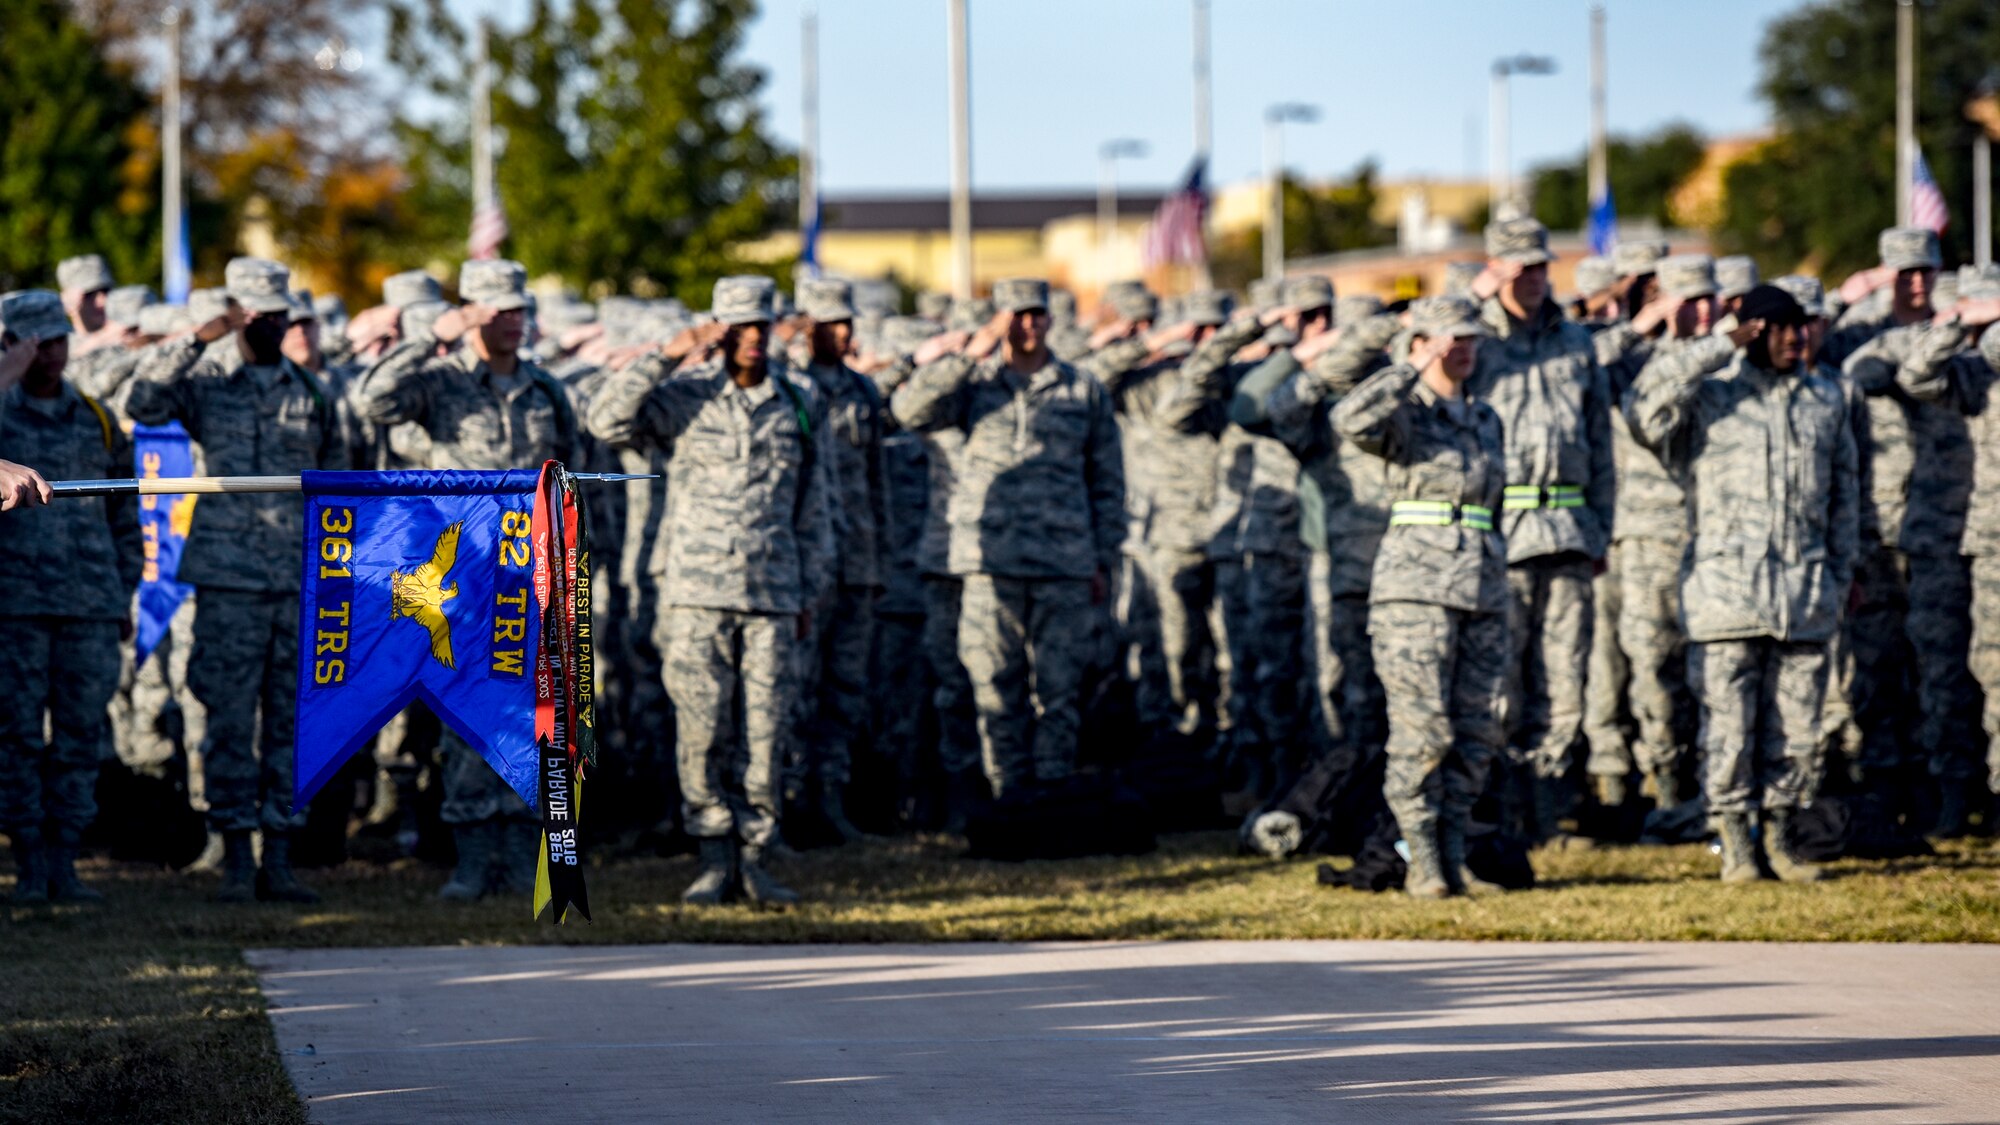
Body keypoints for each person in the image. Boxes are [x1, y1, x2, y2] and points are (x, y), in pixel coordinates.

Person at [587, 276, 834, 906]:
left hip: (774, 592)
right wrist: (672, 351)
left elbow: (814, 505)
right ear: (719, 330)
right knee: (700, 729)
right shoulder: (685, 397)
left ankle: (756, 857)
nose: (752, 338)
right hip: (695, 591)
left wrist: (810, 590)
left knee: (768, 730)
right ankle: (713, 853)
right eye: (738, 326)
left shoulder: (800, 400)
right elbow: (606, 416)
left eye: (761, 325)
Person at [125, 257, 350, 904]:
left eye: (279, 314)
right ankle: (232, 852)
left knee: (288, 721)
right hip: (227, 580)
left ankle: (279, 854)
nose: (271, 325)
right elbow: (143, 401)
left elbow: (335, 482)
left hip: (296, 580)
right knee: (227, 718)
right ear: (235, 315)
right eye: (256, 315)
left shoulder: (310, 392)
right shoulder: (209, 382)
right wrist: (199, 339)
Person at [356, 258, 581, 899]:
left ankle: (521, 849)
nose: (512, 320)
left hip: (534, 577)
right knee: (467, 714)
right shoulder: (440, 382)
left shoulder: (545, 390)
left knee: (534, 714)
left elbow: (573, 478)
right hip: (465, 575)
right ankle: (473, 856)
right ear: (472, 312)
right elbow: (374, 401)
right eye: (497, 309)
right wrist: (433, 336)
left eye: (518, 309)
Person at [1628, 285, 1860, 883]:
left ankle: (1782, 840)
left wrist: (1838, 575)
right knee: (1728, 730)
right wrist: (1717, 344)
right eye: (1781, 329)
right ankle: (1735, 845)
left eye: (1802, 327)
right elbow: (1643, 408)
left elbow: (1844, 501)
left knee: (1797, 730)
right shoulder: (1711, 397)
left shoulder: (1825, 399)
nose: (1796, 339)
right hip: (1726, 594)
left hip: (1803, 593)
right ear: (1754, 332)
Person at [892, 278, 1125, 799]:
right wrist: (969, 353)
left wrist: (1103, 560)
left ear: (1049, 319)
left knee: (1059, 689)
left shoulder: (1080, 387)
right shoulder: (973, 386)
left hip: (1063, 561)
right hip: (988, 561)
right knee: (995, 685)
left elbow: (1107, 480)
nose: (1027, 325)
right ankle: (1007, 794)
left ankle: (1052, 792)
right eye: (1015, 315)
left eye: (1036, 314)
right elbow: (910, 411)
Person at [1331, 296, 1508, 898]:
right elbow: (1350, 419)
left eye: (1470, 339)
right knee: (1423, 731)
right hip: (1415, 593)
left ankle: (1455, 854)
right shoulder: (1404, 413)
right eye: (1450, 338)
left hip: (1482, 590)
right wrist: (1411, 363)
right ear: (1424, 344)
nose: (1463, 349)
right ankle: (1423, 860)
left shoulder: (1486, 418)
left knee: (1477, 731)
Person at [1468, 217, 1617, 838]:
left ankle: (1548, 810)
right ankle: (1502, 814)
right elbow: (1412, 362)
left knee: (1564, 679)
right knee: (1501, 681)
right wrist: (1470, 301)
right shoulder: (1473, 339)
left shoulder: (1576, 341)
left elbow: (1600, 440)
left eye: (1539, 265)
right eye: (1519, 266)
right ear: (1496, 268)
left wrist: (1603, 528)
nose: (1532, 277)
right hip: (1503, 530)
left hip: (1568, 528)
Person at [0, 290, 140, 903]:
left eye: (58, 340)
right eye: (36, 342)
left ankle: (66, 858)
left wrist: (121, 590)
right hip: (15, 608)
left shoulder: (96, 417)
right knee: (17, 737)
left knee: (82, 736)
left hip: (88, 605)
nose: (51, 354)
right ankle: (28, 861)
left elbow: (126, 517)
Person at [1586, 255, 1718, 814]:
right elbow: (1577, 367)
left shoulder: (1730, 363)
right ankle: (1663, 784)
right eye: (1689, 301)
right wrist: (1644, 325)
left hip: (1715, 531)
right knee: (1651, 663)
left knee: (1710, 665)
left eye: (1710, 299)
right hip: (1647, 533)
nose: (1703, 311)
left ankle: (1706, 781)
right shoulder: (1632, 360)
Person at [1885, 280, 2000, 836]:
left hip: (1989, 543)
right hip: (1941, 540)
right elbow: (1913, 374)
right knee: (1943, 674)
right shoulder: (1965, 374)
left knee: (1997, 673)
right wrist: (1958, 325)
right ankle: (1953, 794)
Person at [793, 278, 890, 840]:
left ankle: (831, 800)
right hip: (806, 565)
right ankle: (789, 799)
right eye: (831, 322)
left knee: (846, 686)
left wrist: (880, 558)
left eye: (847, 321)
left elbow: (876, 482)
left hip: (856, 561)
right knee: (796, 686)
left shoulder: (861, 391)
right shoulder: (788, 387)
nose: (844, 331)